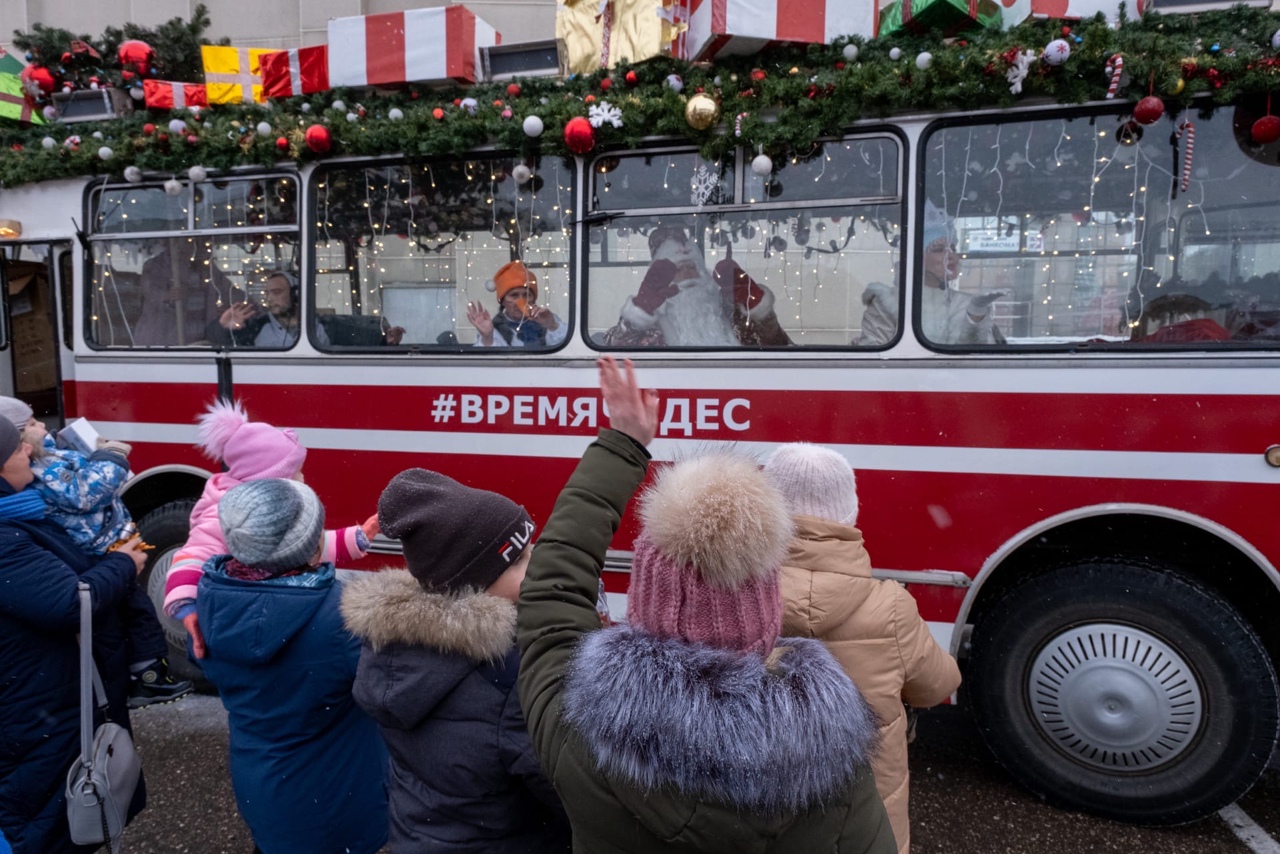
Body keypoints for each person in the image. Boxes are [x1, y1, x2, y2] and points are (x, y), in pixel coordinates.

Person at [515, 357, 897, 853]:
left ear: (647, 602)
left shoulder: (578, 730)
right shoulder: (834, 761)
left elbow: (553, 586)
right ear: (766, 610)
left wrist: (623, 442)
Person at [341, 469, 572, 853]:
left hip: (419, 835)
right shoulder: (507, 680)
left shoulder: (392, 649)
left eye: (532, 551)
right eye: (517, 562)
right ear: (472, 586)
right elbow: (568, 791)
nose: (534, 569)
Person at [764, 442, 962, 854]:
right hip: (866, 828)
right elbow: (937, 685)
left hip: (763, 820)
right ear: (850, 514)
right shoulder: (890, 607)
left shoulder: (727, 600)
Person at [196, 478, 388, 854]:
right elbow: (391, 690)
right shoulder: (339, 618)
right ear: (315, 548)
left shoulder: (208, 600)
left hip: (261, 786)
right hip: (335, 794)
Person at [0, 417, 150, 853]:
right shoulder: (6, 541)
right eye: (14, 450)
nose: (27, 451)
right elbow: (70, 602)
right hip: (34, 715)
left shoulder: (23, 514)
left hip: (40, 704)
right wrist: (123, 564)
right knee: (45, 828)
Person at [0, 396, 194, 709]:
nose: (43, 426)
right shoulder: (37, 481)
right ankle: (148, 675)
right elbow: (85, 494)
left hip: (106, 547)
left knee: (127, 615)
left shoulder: (43, 459)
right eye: (33, 424)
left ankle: (139, 678)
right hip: (100, 547)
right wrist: (112, 458)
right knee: (137, 612)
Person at [163, 399, 378, 659]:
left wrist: (355, 539)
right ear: (266, 481)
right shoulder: (224, 512)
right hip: (246, 612)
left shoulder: (270, 509)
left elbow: (299, 546)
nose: (303, 479)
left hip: (268, 603)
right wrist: (187, 607)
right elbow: (193, 555)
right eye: (295, 474)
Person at [600, 226, 792, 347]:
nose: (688, 275)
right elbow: (612, 348)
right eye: (678, 269)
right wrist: (639, 311)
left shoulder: (731, 315)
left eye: (693, 267)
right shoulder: (652, 325)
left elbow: (780, 346)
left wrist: (760, 309)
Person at [860, 201, 1004, 346]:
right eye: (939, 249)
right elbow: (874, 355)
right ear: (917, 259)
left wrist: (976, 315)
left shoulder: (963, 303)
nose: (952, 256)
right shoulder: (888, 302)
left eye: (952, 248)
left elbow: (971, 357)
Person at [465, 260, 566, 348]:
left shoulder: (547, 320)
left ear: (534, 299)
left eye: (526, 295)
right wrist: (487, 337)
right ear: (503, 301)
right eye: (514, 295)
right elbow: (490, 363)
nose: (520, 301)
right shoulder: (493, 327)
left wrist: (552, 326)